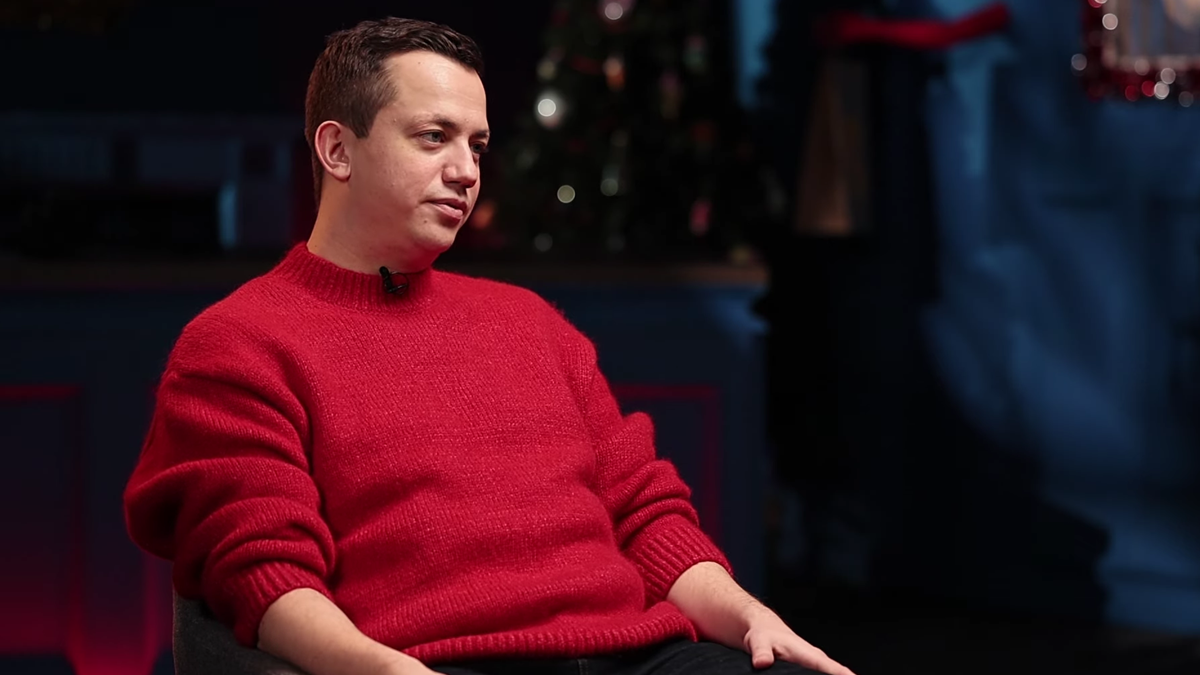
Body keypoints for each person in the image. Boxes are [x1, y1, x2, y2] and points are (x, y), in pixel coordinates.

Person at [123, 17, 854, 675]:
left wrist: (752, 618)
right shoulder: (238, 342)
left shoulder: (531, 321)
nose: (467, 171)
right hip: (435, 661)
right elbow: (264, 573)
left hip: (640, 655)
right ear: (338, 149)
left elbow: (646, 515)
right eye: (433, 137)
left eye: (476, 144)